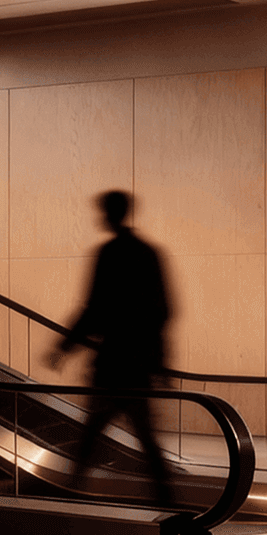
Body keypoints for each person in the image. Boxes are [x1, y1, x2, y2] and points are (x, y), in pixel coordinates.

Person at [47, 190, 175, 509]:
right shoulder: (149, 254)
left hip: (112, 363)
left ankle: (69, 495)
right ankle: (167, 500)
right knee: (145, 437)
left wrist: (64, 347)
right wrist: (160, 361)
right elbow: (162, 310)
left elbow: (94, 309)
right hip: (138, 363)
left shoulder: (108, 254)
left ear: (108, 214)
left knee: (92, 434)